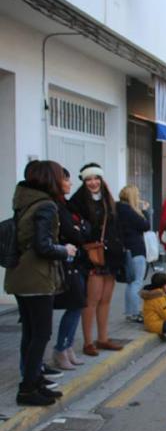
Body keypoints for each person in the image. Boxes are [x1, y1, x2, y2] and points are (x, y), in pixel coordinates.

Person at [4, 161, 77, 405]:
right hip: (37, 278)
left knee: (31, 332)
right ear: (51, 179)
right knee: (41, 333)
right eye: (60, 176)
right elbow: (42, 245)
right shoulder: (46, 205)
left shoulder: (25, 200)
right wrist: (64, 249)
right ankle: (27, 389)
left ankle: (33, 380)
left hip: (20, 276)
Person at [70, 163, 124, 355]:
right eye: (89, 179)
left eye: (96, 178)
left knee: (106, 300)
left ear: (101, 180)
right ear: (84, 182)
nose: (93, 182)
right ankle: (88, 342)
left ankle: (103, 338)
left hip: (110, 257)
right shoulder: (77, 203)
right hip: (92, 257)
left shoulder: (108, 200)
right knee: (91, 301)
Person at [52, 167, 89, 370]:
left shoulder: (67, 204)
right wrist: (78, 231)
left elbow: (84, 228)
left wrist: (80, 230)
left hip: (75, 263)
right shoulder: (54, 205)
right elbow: (72, 232)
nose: (70, 183)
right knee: (74, 304)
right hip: (63, 264)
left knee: (77, 305)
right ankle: (61, 348)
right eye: (66, 180)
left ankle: (66, 347)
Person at [116, 185, 150, 322]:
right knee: (137, 282)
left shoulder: (118, 209)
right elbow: (145, 225)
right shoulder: (130, 211)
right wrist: (145, 211)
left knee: (131, 282)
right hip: (136, 249)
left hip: (126, 249)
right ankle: (135, 312)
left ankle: (129, 312)